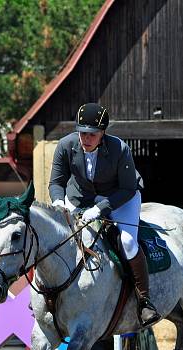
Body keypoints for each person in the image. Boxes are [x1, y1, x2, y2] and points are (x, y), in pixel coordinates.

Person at [48, 102, 161, 327]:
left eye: (92, 134)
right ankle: (49, 296)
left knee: (128, 242)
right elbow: (56, 182)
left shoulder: (120, 149)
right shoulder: (65, 145)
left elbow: (128, 189)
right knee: (59, 239)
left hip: (120, 198)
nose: (85, 138)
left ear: (103, 133)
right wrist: (59, 203)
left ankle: (144, 301)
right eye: (82, 132)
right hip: (80, 198)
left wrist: (99, 210)